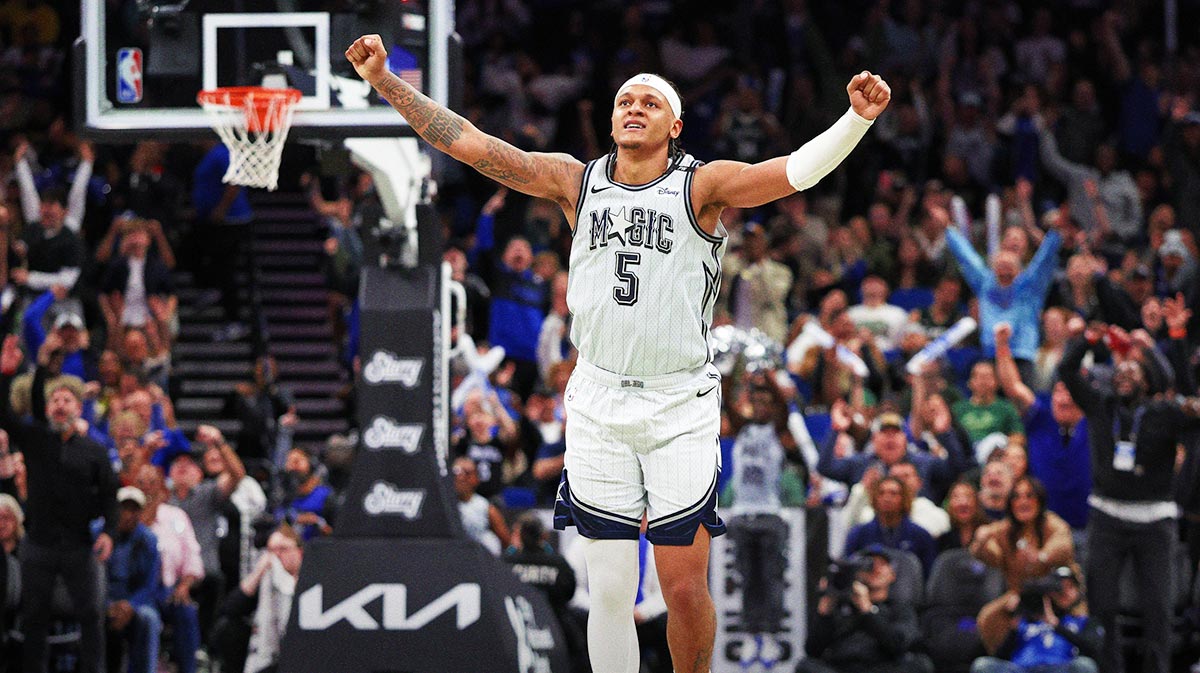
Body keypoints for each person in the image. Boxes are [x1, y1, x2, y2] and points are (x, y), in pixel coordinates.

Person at [347, 34, 889, 672]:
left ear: (675, 125)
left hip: (678, 402)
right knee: (606, 587)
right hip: (599, 399)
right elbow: (469, 143)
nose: (633, 108)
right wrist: (386, 82)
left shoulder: (701, 187)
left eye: (649, 103)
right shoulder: (575, 182)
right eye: (624, 101)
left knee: (683, 587)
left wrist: (856, 119)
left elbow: (795, 170)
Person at [1057, 318, 1200, 673]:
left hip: (1155, 522)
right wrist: (1086, 340)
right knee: (1102, 608)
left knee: (1158, 611)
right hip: (1107, 518)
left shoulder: (1164, 412)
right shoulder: (1099, 405)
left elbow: (1191, 398)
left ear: (1149, 381)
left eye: (1133, 371)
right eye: (1120, 370)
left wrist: (1173, 341)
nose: (1124, 374)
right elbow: (1068, 370)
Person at [0, 334, 116, 673]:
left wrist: (108, 530)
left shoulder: (94, 451)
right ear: (47, 409)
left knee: (92, 614)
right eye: (55, 401)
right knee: (34, 615)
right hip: (38, 544)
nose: (60, 405)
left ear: (79, 409)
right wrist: (11, 373)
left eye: (67, 400)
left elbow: (109, 495)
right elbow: (8, 414)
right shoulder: (36, 440)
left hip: (79, 546)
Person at [799, 546, 933, 673]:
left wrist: (867, 610)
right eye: (869, 564)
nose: (875, 568)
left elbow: (898, 646)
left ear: (892, 575)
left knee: (921, 664)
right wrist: (825, 611)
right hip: (841, 668)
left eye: (882, 564)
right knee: (805, 665)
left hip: (882, 668)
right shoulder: (840, 606)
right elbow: (813, 651)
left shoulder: (900, 609)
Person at [974, 565, 1102, 673]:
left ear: (1078, 590)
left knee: (1085, 665)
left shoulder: (1082, 621)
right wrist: (1014, 624)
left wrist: (1056, 625)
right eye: (1059, 588)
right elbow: (1000, 656)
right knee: (982, 665)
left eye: (1070, 587)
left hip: (1059, 668)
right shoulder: (1027, 620)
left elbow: (1092, 649)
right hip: (1022, 669)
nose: (1064, 592)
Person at [227, 525, 303, 673]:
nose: (277, 556)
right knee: (227, 629)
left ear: (300, 551)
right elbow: (231, 609)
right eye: (271, 551)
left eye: (283, 549)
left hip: (301, 648)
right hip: (270, 655)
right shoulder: (267, 583)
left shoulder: (312, 578)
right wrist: (259, 571)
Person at [105, 486, 161, 673]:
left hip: (136, 601)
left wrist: (130, 605)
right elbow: (91, 579)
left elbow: (150, 585)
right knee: (91, 614)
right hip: (104, 599)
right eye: (123, 508)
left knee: (149, 618)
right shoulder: (100, 534)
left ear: (140, 513)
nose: (127, 514)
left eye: (133, 509)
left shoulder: (148, 540)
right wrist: (107, 605)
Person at [844, 475, 938, 575]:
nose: (887, 498)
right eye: (881, 493)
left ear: (904, 498)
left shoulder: (921, 535)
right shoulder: (859, 533)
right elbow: (847, 568)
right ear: (874, 498)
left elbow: (929, 574)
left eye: (893, 494)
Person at [452, 456, 510, 555]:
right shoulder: (442, 505)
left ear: (476, 478)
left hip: (481, 560)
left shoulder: (486, 508)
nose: (460, 477)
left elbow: (507, 542)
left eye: (467, 473)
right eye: (456, 472)